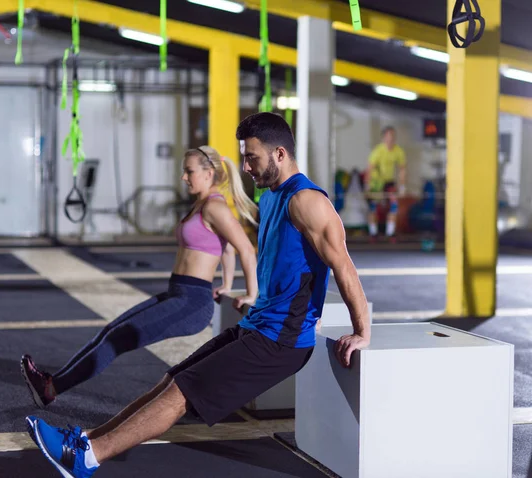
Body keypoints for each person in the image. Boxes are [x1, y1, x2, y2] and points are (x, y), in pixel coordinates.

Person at [25, 112, 371, 478]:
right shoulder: (272, 195)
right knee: (171, 381)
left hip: (281, 341)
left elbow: (342, 264)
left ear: (280, 154)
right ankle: (84, 440)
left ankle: (86, 458)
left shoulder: (307, 200)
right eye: (244, 157)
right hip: (258, 325)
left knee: (182, 395)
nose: (246, 167)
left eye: (252, 157)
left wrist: (362, 329)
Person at [20, 145, 259, 409]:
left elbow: (245, 249)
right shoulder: (201, 205)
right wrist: (225, 284)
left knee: (117, 340)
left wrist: (251, 293)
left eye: (188, 171)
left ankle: (51, 388)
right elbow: (224, 248)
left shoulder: (216, 208)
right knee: (110, 331)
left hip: (192, 304)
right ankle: (51, 383)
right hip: (177, 292)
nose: (183, 177)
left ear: (208, 173)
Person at [364, 126, 407, 242]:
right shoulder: (377, 151)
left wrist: (402, 186)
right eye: (388, 136)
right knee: (373, 208)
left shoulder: (398, 151)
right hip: (376, 183)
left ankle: (390, 233)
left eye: (393, 136)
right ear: (383, 138)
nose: (390, 139)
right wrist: (367, 186)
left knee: (394, 206)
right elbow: (369, 169)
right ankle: (373, 234)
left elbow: (402, 169)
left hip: (389, 183)